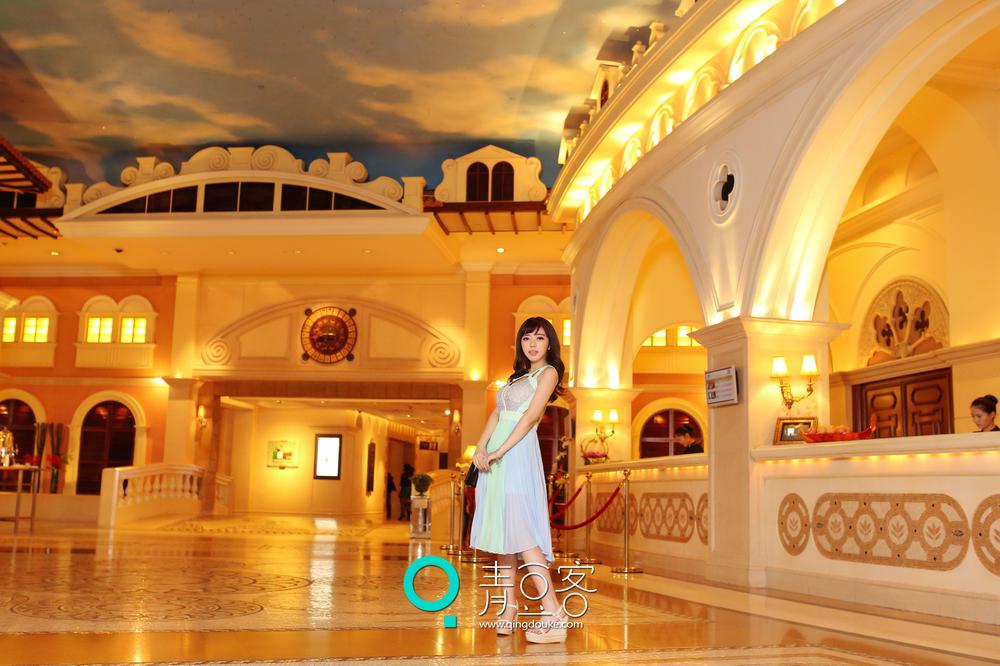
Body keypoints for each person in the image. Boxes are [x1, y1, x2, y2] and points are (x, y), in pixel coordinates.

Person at [469, 316, 568, 644]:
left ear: (549, 343)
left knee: (523, 534)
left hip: (516, 455)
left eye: (539, 338)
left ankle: (554, 613)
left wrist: (500, 451)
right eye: (526, 338)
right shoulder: (517, 378)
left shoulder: (548, 373)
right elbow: (497, 414)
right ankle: (509, 609)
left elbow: (530, 417)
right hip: (495, 457)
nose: (532, 344)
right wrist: (481, 447)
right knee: (503, 537)